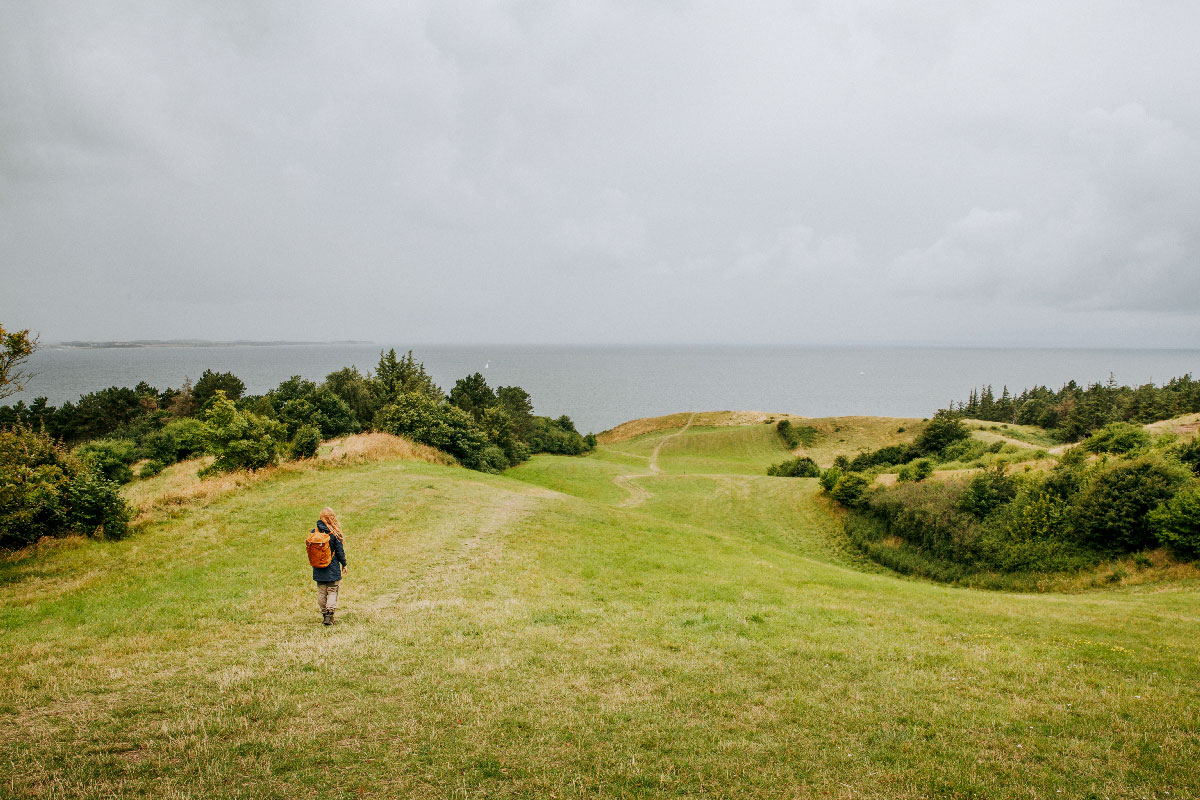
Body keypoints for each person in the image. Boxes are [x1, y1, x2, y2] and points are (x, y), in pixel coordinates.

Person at [311, 507, 347, 625]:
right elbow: (340, 551)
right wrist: (344, 564)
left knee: (321, 592)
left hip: (318, 568)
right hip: (332, 568)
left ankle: (324, 614)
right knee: (332, 591)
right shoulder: (334, 533)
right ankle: (329, 615)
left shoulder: (314, 532)